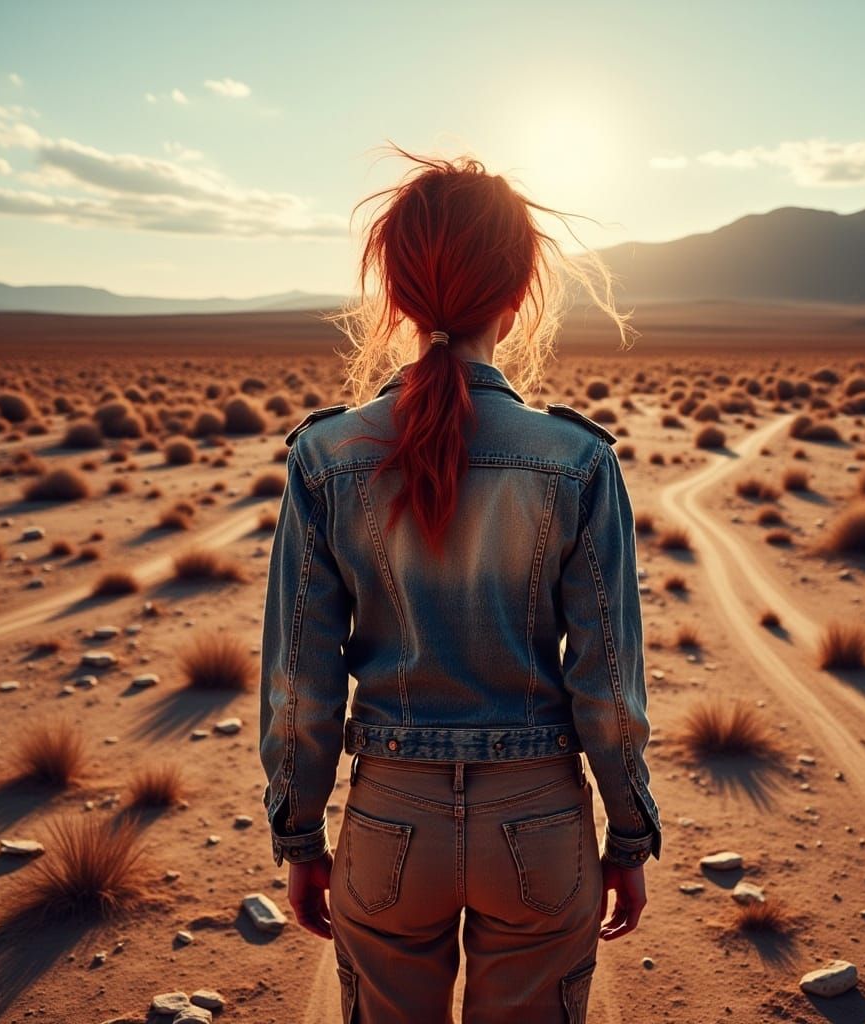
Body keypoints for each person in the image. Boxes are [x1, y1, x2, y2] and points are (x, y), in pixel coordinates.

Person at [258, 144, 663, 1024]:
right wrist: (627, 836)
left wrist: (299, 835)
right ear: (516, 303)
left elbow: (302, 686)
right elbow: (608, 686)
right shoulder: (577, 460)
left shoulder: (326, 456)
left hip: (387, 822)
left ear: (397, 297)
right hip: (541, 823)